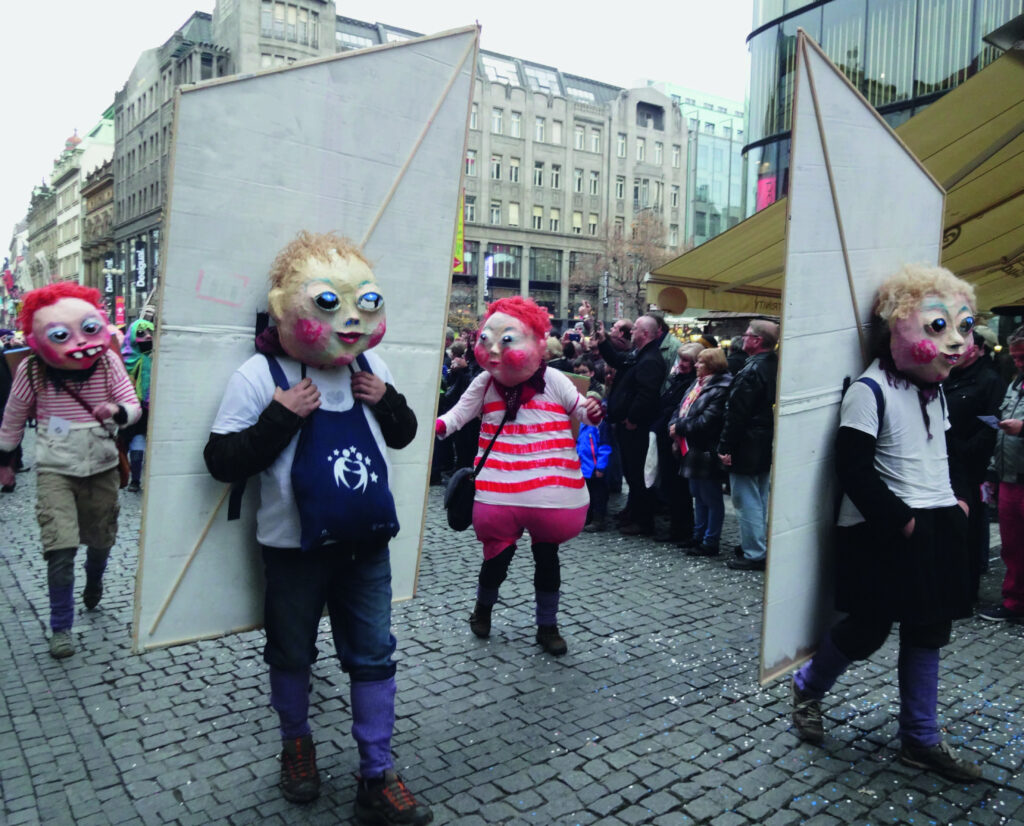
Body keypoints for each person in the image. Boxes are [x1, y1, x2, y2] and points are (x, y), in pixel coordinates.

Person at [203, 232, 432, 824]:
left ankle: (376, 775)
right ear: (286, 307)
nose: (353, 319)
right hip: (292, 549)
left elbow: (405, 435)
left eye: (367, 302)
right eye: (330, 303)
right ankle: (296, 745)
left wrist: (387, 400)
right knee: (291, 652)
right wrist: (282, 416)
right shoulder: (259, 375)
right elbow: (222, 462)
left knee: (375, 654)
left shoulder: (369, 363)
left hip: (366, 543)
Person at [790, 264, 981, 783]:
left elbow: (949, 455)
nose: (957, 342)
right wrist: (903, 523)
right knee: (867, 630)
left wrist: (960, 501)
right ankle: (808, 688)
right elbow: (853, 469)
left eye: (963, 328)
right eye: (939, 328)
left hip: (938, 523)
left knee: (928, 631)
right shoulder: (868, 391)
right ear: (897, 326)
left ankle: (920, 739)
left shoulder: (934, 393)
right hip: (884, 533)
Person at [437, 296, 603, 656]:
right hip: (500, 491)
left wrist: (593, 409)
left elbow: (583, 414)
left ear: (537, 344)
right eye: (488, 339)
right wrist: (434, 427)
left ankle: (548, 626)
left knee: (548, 560)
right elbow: (458, 416)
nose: (494, 350)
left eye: (507, 340)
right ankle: (483, 610)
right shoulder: (485, 383)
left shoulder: (555, 379)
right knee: (496, 560)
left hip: (549, 490)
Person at [0, 284, 141, 659]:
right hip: (55, 470)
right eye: (62, 335)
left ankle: (93, 583)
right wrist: (5, 464)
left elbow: (132, 404)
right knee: (59, 550)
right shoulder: (32, 370)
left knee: (101, 541)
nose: (78, 342)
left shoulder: (108, 362)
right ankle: (61, 626)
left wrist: (116, 412)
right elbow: (13, 418)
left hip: (103, 467)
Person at [944, 329, 1004, 602]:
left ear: (980, 349)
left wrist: (965, 450)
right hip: (947, 462)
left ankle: (965, 590)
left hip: (970, 466)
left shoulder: (989, 380)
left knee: (969, 526)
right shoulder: (949, 375)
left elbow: (991, 425)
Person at [717, 318, 779, 571]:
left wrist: (725, 446)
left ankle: (754, 552)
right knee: (760, 495)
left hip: (748, 441)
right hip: (763, 439)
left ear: (756, 340)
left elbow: (737, 413)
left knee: (746, 499)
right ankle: (757, 545)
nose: (743, 337)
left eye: (746, 334)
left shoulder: (752, 369)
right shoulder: (774, 364)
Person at [598, 314, 667, 536]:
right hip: (628, 424)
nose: (631, 332)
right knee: (632, 472)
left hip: (636, 427)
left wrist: (633, 418)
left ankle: (643, 521)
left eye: (635, 329)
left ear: (645, 333)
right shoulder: (639, 355)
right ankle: (634, 513)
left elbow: (646, 395)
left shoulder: (651, 360)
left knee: (637, 475)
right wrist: (602, 342)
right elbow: (618, 360)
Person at [978, 324, 1024, 622]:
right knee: (1012, 545)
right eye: (1016, 357)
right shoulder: (1014, 384)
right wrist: (993, 476)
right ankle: (1014, 603)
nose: (1018, 363)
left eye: (1023, 357)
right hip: (1010, 479)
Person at [670, 348, 732, 555]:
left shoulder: (721, 388)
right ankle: (698, 536)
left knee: (711, 497)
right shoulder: (698, 384)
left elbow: (708, 421)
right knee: (697, 494)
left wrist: (679, 427)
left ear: (712, 365)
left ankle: (710, 541)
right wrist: (674, 424)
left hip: (706, 450)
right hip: (692, 448)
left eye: (701, 363)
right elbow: (680, 409)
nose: (696, 366)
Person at [653, 343, 703, 542]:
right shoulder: (679, 380)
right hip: (667, 437)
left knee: (679, 487)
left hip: (678, 441)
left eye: (687, 361)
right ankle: (676, 528)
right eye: (681, 359)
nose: (682, 364)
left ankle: (682, 530)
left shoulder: (691, 384)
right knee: (671, 485)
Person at [120, 318, 154, 491]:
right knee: (122, 445)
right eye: (141, 333)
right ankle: (121, 475)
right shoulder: (120, 360)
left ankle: (135, 480)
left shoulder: (156, 359)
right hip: (124, 409)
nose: (148, 336)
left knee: (138, 445)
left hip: (146, 409)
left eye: (151, 332)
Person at [577, 392, 613, 532]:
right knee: (587, 494)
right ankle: (588, 517)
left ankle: (598, 519)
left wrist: (601, 467)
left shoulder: (601, 424)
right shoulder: (582, 423)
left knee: (598, 495)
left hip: (595, 467)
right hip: (584, 466)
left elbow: (605, 447)